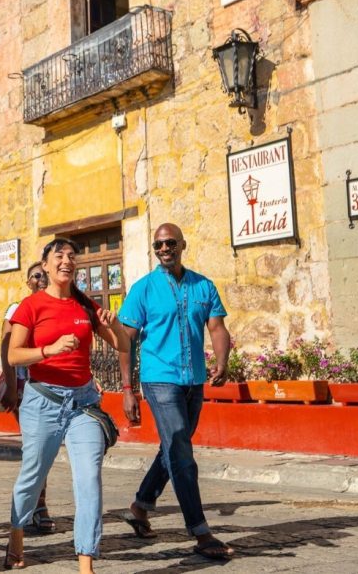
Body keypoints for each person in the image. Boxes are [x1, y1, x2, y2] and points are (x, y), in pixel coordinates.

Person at [5, 239, 129, 572]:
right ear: (44, 265)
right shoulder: (30, 306)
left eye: (71, 256)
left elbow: (124, 344)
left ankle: (86, 562)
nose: (66, 261)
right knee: (33, 476)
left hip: (83, 404)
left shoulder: (85, 305)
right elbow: (14, 354)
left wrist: (114, 323)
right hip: (42, 401)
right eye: (58, 256)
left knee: (89, 478)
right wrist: (49, 350)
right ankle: (17, 531)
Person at [118, 223, 236, 561]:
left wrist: (222, 361)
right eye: (158, 245)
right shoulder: (144, 289)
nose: (164, 249)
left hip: (194, 380)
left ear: (182, 244)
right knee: (181, 449)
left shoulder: (204, 285)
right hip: (160, 379)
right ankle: (200, 531)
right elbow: (125, 339)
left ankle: (140, 506)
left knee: (174, 446)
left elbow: (217, 327)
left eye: (170, 243)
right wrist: (128, 389)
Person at [0, 261, 56, 534]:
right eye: (35, 276)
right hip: (25, 385)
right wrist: (10, 387)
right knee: (36, 447)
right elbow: (6, 349)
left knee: (44, 448)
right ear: (28, 282)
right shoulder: (17, 309)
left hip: (51, 384)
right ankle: (37, 506)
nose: (41, 279)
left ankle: (36, 504)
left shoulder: (54, 306)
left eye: (44, 275)